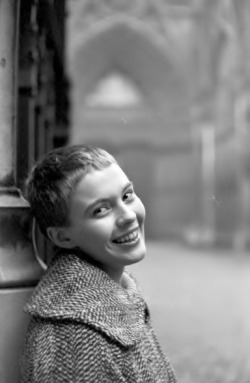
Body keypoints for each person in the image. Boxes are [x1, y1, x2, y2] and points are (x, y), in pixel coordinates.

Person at [20, 145, 177, 383]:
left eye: (127, 195)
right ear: (62, 236)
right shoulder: (73, 340)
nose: (129, 216)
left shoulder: (118, 296)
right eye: (101, 210)